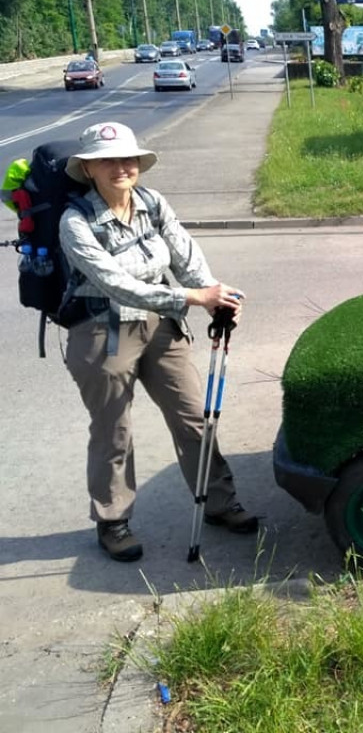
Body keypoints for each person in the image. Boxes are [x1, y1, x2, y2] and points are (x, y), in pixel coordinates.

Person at [59, 122, 258, 562]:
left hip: (162, 323)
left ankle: (220, 504)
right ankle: (113, 522)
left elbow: (186, 255)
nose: (121, 167)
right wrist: (192, 297)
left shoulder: (152, 202)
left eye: (128, 158)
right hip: (101, 329)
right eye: (107, 160)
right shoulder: (75, 221)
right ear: (88, 168)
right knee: (114, 430)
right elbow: (117, 284)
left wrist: (215, 296)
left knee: (194, 417)